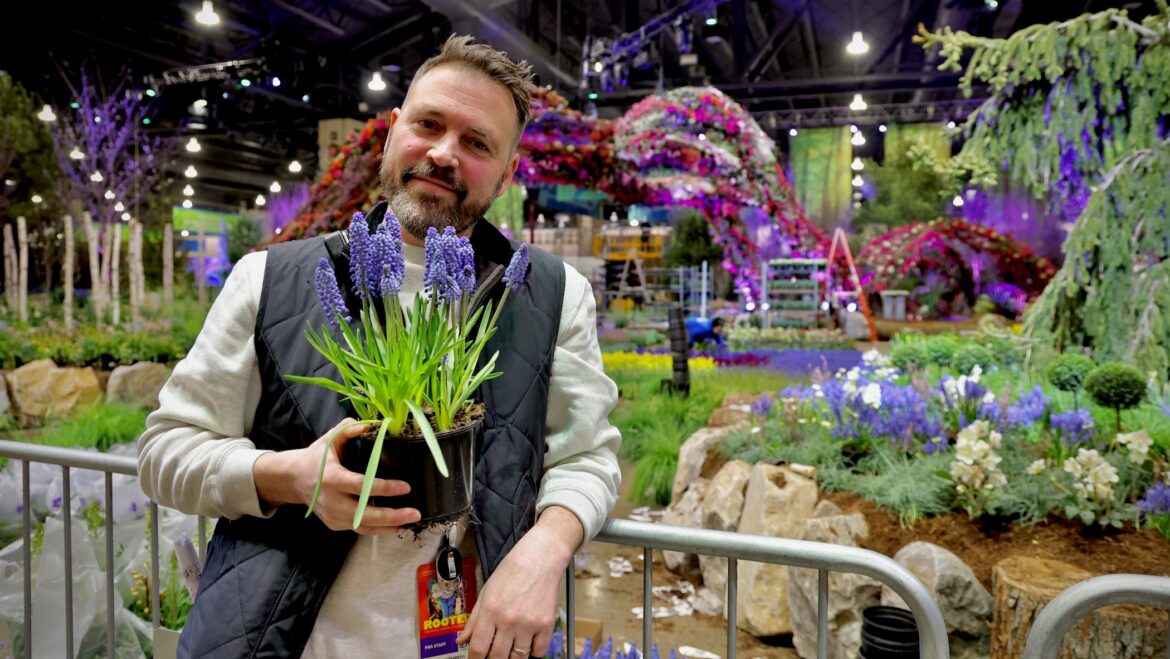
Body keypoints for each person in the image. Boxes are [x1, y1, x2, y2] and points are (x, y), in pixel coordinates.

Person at [137, 35, 621, 659]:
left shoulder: (556, 295)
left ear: (506, 174)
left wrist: (546, 551)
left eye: (477, 143)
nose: (445, 154)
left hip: (471, 645)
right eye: (429, 124)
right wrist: (285, 476)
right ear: (393, 133)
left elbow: (588, 457)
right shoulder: (268, 279)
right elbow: (164, 450)